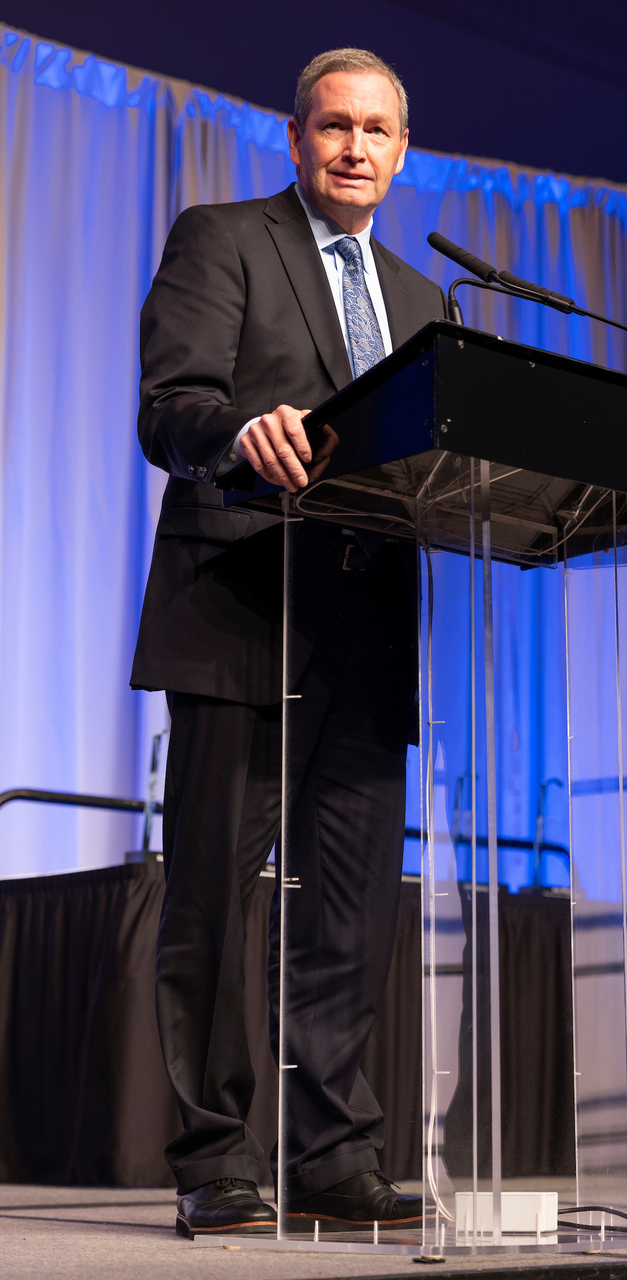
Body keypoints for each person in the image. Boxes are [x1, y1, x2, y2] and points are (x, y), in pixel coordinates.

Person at [131, 48, 446, 1237]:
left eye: (375, 130)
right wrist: (238, 432)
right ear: (297, 135)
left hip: (366, 632)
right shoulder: (223, 238)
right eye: (333, 125)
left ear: (401, 151)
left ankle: (329, 1153)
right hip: (239, 612)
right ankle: (216, 1154)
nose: (354, 147)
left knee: (348, 915)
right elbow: (171, 407)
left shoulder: (424, 303)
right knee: (215, 897)